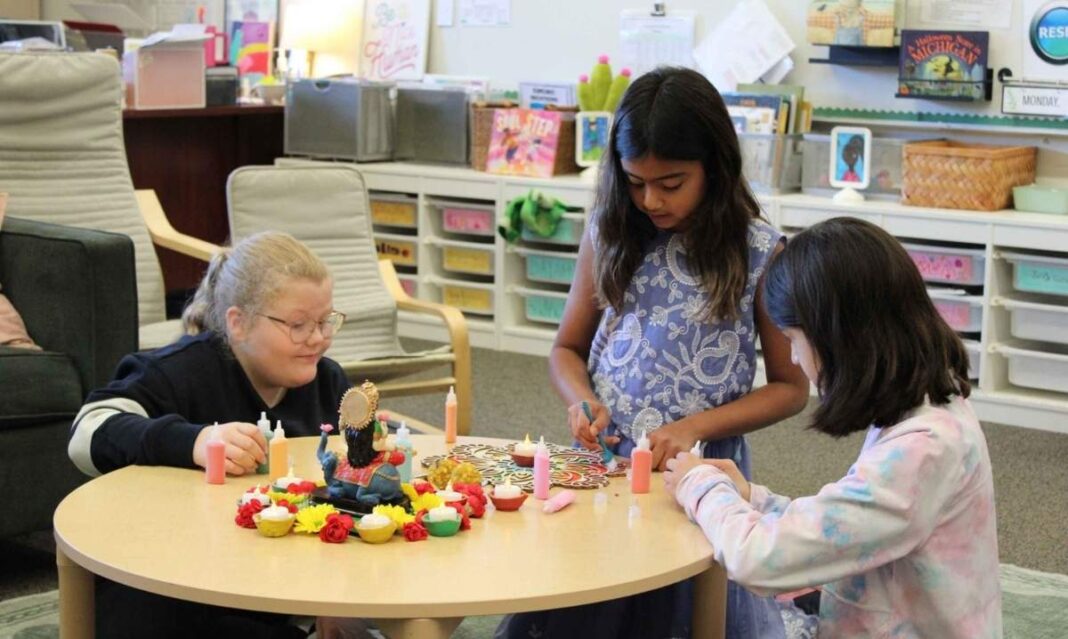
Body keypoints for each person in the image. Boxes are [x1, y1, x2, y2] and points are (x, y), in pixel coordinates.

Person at [498, 66, 810, 638]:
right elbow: (566, 349)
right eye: (636, 181)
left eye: (671, 182)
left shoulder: (760, 250)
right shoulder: (611, 230)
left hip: (700, 473)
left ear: (714, 168)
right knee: (592, 596)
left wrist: (693, 426)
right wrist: (581, 399)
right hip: (605, 465)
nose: (651, 199)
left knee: (682, 604)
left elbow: (791, 389)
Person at [665, 218, 1002, 638]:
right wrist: (754, 499)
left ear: (840, 339)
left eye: (793, 337)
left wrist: (698, 484)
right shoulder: (931, 410)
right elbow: (848, 521)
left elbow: (759, 560)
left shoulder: (924, 450)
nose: (795, 356)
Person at [69, 231, 352, 638]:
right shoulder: (177, 372)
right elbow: (87, 432)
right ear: (238, 323)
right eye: (297, 325)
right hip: (171, 594)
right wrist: (194, 442)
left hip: (269, 587)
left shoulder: (327, 381)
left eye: (326, 321)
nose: (318, 338)